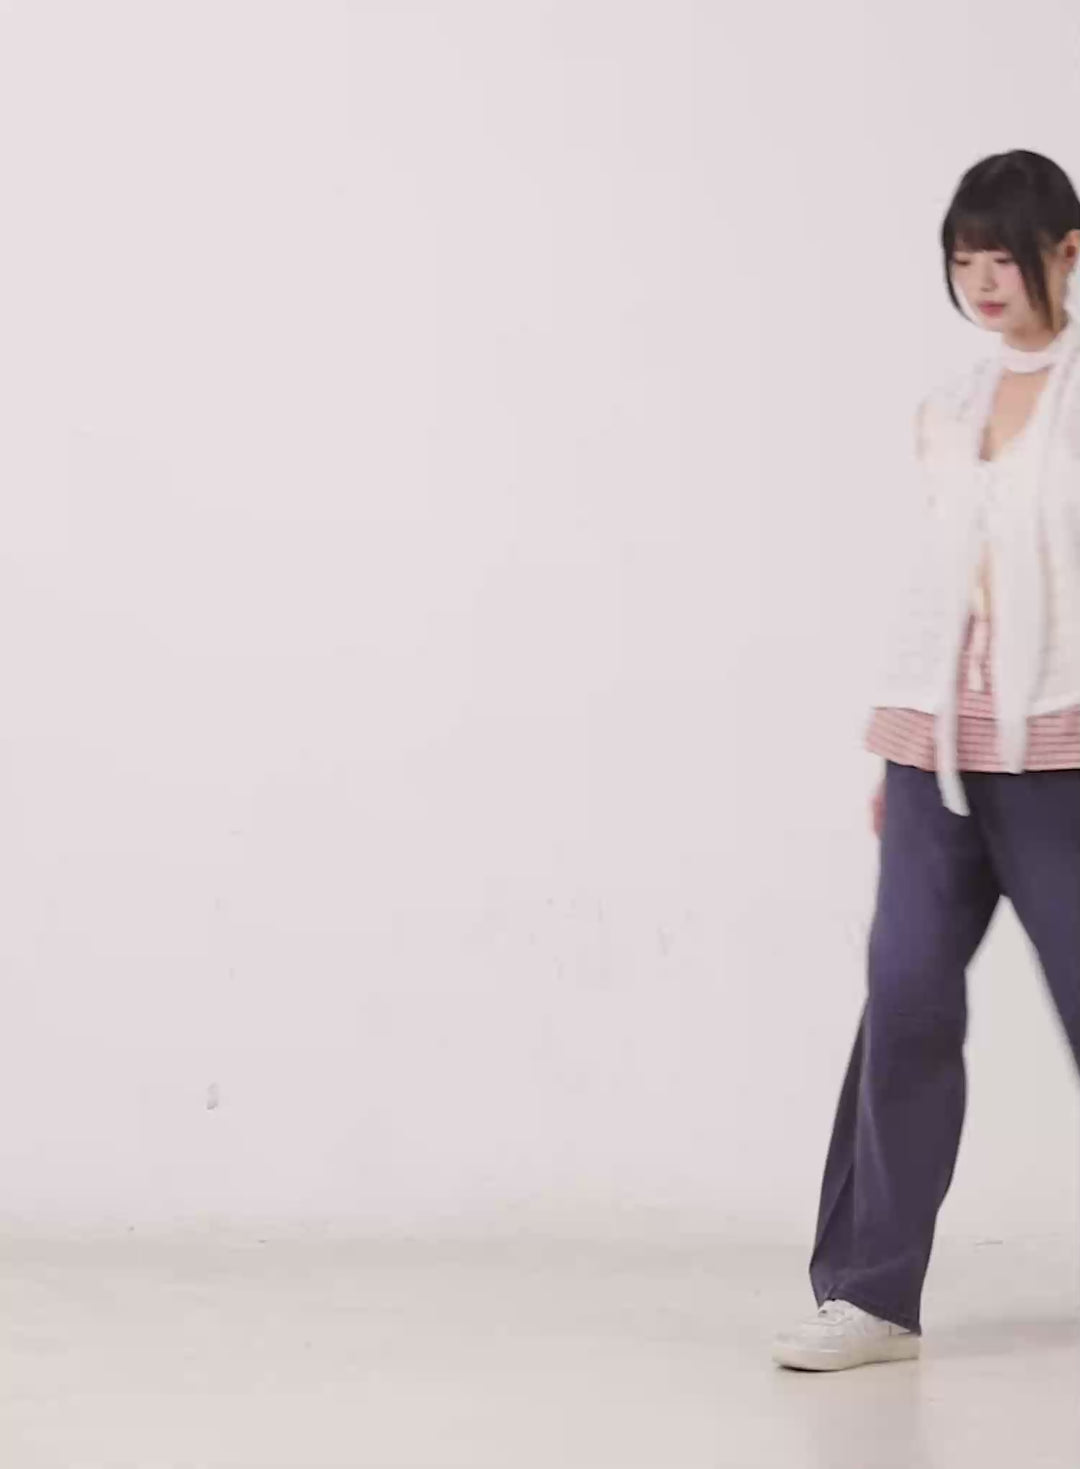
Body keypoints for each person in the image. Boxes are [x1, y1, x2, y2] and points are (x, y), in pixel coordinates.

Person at [772, 149, 1080, 1373]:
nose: (983, 279)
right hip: (936, 752)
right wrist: (898, 748)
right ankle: (871, 1294)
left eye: (1004, 254)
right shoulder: (949, 407)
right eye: (964, 257)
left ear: (1067, 252)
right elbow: (942, 587)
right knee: (903, 998)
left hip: (1064, 754)